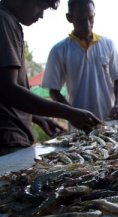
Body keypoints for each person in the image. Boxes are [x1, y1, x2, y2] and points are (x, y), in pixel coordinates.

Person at [0, 0, 101, 156]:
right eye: (40, 7)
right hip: (7, 139)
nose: (40, 15)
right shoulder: (3, 21)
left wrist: (38, 118)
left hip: (13, 136)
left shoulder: (9, 21)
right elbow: (8, 89)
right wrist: (70, 113)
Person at [42, 0, 118, 122]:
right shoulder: (59, 50)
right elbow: (54, 91)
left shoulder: (108, 44)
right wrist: (73, 114)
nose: (87, 24)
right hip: (80, 126)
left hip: (110, 120)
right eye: (81, 19)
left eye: (90, 18)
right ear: (69, 18)